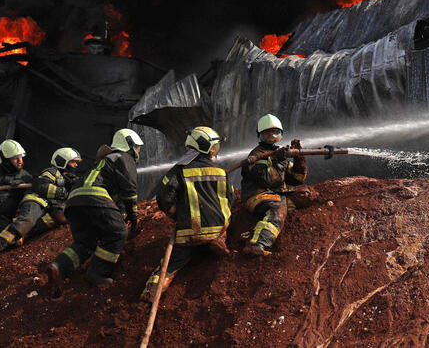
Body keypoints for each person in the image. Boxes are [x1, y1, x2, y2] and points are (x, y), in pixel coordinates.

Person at [40, 128, 143, 288]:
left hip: (74, 200)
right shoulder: (123, 157)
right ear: (129, 145)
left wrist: (121, 213)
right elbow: (129, 189)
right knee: (118, 232)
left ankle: (59, 267)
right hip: (94, 196)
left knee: (85, 242)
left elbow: (116, 196)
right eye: (137, 147)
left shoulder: (104, 162)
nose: (138, 151)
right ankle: (98, 272)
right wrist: (133, 215)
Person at [141, 126, 231, 301]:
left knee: (171, 264)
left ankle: (152, 290)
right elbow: (231, 199)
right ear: (207, 147)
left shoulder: (179, 170)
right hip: (218, 228)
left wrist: (178, 215)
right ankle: (217, 241)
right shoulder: (221, 172)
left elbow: (164, 198)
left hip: (189, 231)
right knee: (219, 228)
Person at [0, 146, 82, 267]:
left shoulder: (70, 179)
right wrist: (64, 192)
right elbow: (42, 187)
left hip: (50, 206)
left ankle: (22, 235)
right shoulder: (52, 172)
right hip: (36, 200)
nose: (75, 165)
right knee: (27, 220)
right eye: (73, 161)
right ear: (62, 161)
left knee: (59, 218)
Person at [239, 113, 308, 256]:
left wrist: (299, 160)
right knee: (277, 208)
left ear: (281, 134)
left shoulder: (279, 153)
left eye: (275, 132)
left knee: (306, 195)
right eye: (267, 133)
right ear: (260, 135)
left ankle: (281, 209)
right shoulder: (256, 155)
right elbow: (266, 180)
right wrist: (278, 160)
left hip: (276, 194)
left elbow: (296, 180)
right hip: (257, 196)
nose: (271, 136)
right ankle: (257, 243)